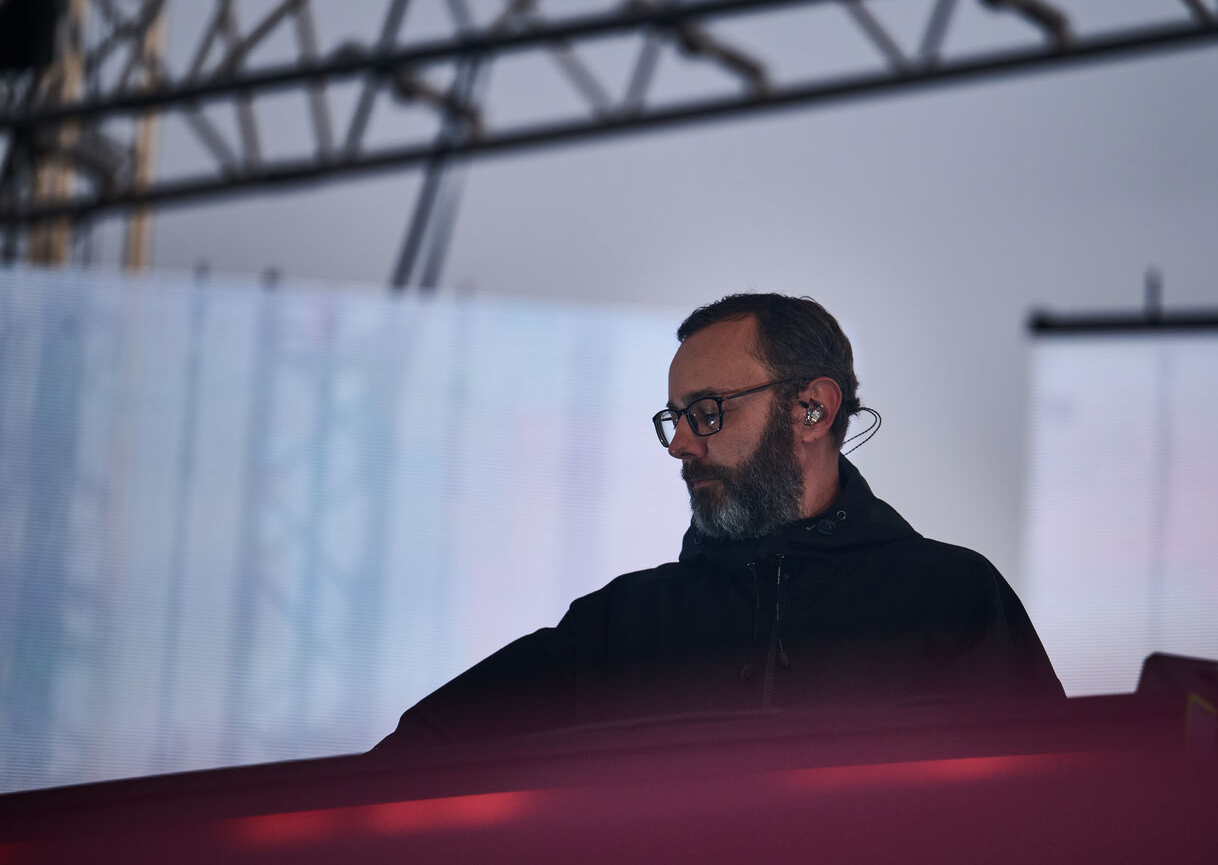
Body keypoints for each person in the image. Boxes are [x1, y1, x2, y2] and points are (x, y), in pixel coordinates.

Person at [375, 294, 1062, 750]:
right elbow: (415, 755)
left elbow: (1040, 811)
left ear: (813, 410)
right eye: (675, 419)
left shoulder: (952, 598)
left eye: (706, 412)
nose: (680, 443)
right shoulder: (618, 626)